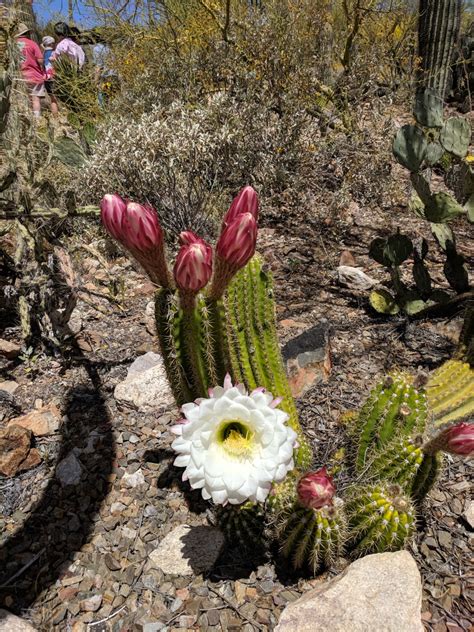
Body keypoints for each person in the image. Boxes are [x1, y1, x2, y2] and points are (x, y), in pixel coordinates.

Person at [16, 23, 46, 119]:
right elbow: (40, 60)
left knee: (23, 98)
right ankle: (37, 120)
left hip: (20, 76)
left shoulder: (13, 45)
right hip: (34, 75)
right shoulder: (32, 44)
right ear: (27, 33)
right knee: (35, 99)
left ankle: (26, 119)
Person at [41, 35, 59, 116]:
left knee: (52, 98)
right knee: (56, 98)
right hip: (53, 77)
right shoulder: (53, 53)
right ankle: (56, 115)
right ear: (51, 43)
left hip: (45, 77)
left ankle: (54, 115)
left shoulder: (43, 53)